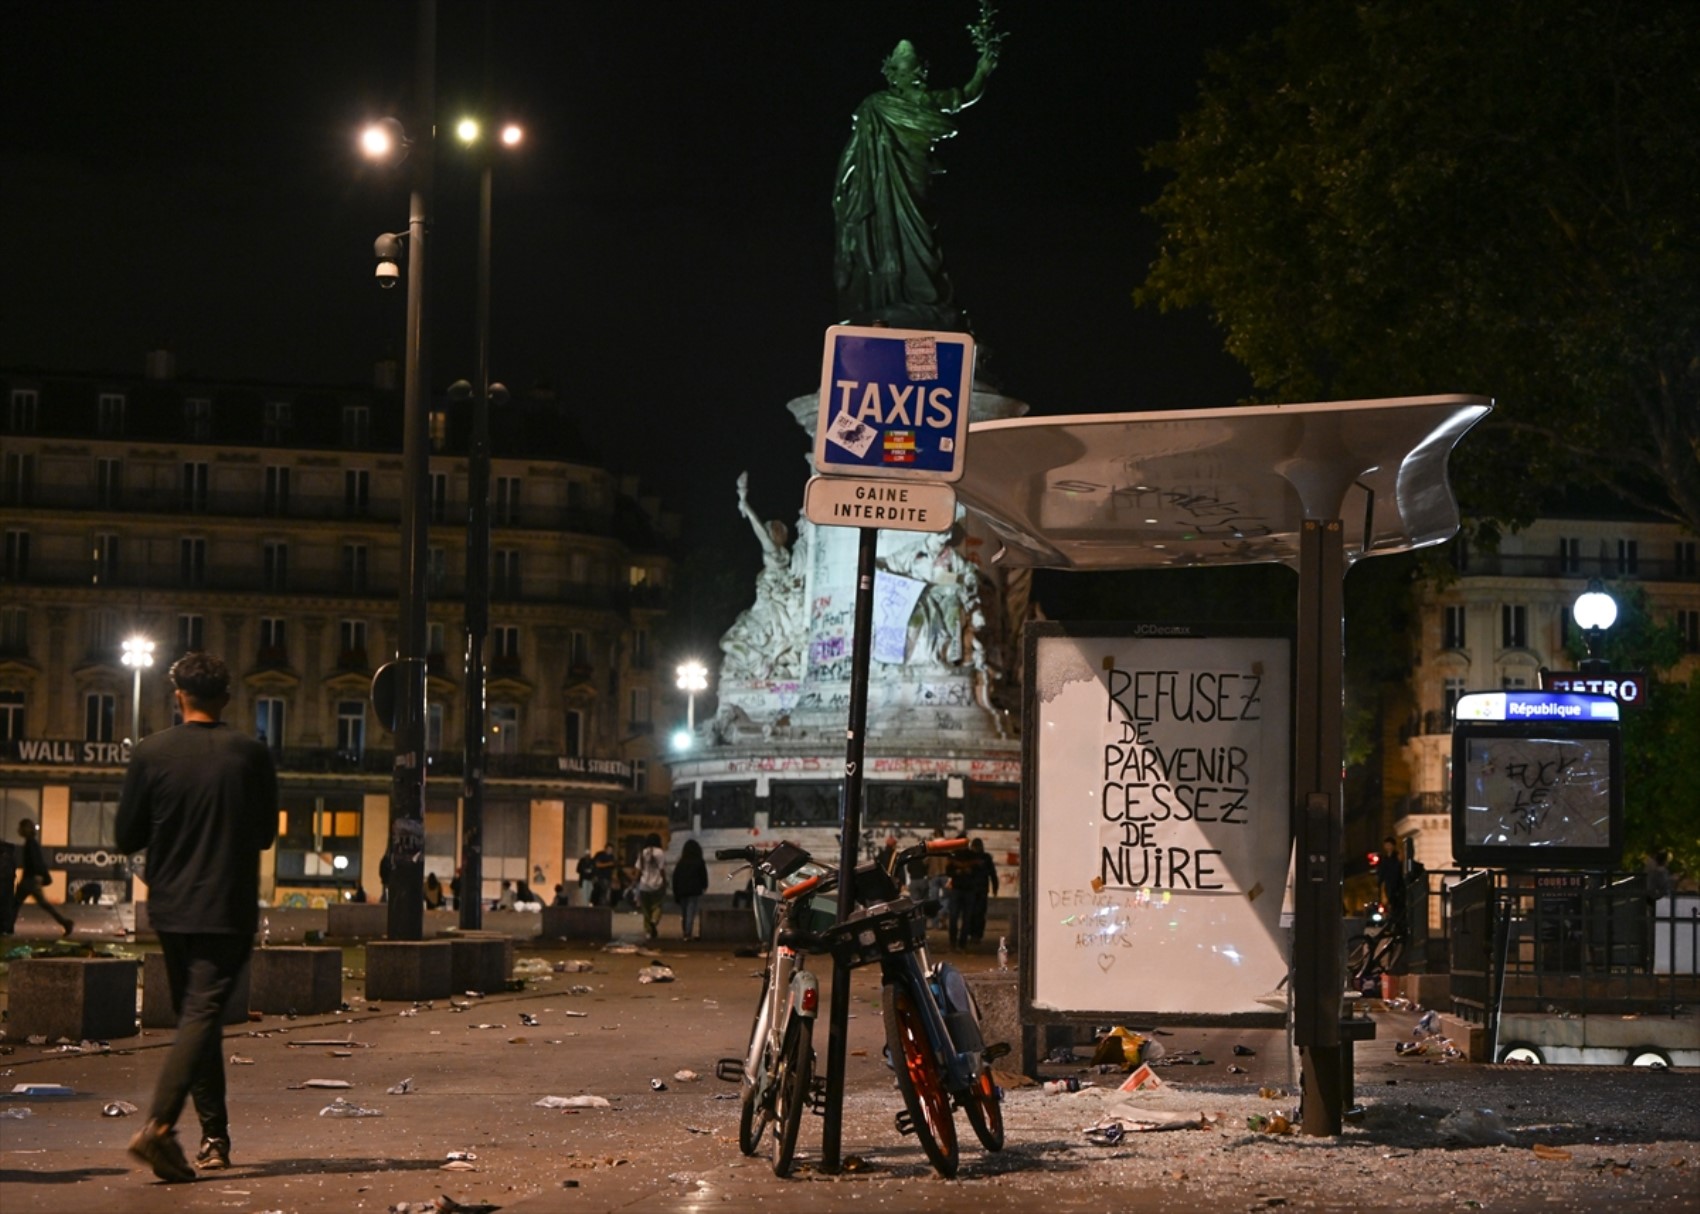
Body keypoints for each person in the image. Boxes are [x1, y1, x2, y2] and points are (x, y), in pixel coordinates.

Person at [115, 652, 278, 1182]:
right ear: (226, 697)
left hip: (170, 905)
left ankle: (215, 1138)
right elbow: (265, 835)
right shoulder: (251, 754)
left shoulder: (151, 752)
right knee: (202, 1014)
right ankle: (159, 1127)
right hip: (226, 905)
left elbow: (127, 837)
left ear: (176, 695)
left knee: (197, 1017)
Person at [832, 25, 999, 329]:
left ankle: (922, 299)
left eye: (915, 67)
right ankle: (891, 298)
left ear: (921, 71)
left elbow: (963, 95)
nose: (910, 73)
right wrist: (845, 186)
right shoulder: (875, 105)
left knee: (919, 232)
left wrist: (982, 71)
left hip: (914, 175)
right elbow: (854, 151)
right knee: (887, 234)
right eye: (902, 68)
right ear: (892, 74)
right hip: (879, 182)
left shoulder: (925, 101)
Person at [14, 818, 74, 936]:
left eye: (20, 828)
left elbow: (33, 864)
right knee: (43, 904)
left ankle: (6, 926)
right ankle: (65, 922)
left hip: (29, 880)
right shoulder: (32, 843)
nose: (18, 830)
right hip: (32, 880)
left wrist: (27, 879)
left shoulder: (30, 844)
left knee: (15, 903)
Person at [671, 838, 709, 941]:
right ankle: (688, 933)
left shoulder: (681, 862)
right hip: (694, 890)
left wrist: (675, 891)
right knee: (690, 912)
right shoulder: (699, 861)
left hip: (682, 891)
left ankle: (685, 932)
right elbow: (703, 876)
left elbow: (675, 877)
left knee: (684, 912)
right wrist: (704, 886)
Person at [635, 832, 668, 942]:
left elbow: (638, 870)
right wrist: (665, 881)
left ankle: (648, 931)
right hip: (657, 884)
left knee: (645, 909)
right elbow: (662, 869)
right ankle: (654, 921)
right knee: (657, 906)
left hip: (644, 885)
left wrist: (635, 881)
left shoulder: (643, 853)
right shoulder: (660, 853)